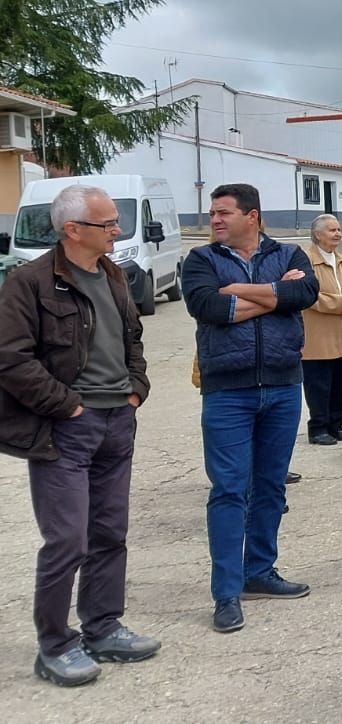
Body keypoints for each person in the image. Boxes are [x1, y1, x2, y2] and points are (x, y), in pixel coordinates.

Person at [0, 185, 160, 686]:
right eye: (107, 223)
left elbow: (132, 335)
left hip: (118, 422)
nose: (117, 230)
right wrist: (67, 405)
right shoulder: (29, 282)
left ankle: (102, 627)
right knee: (67, 540)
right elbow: (10, 357)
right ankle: (55, 644)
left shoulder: (113, 274)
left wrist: (136, 388)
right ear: (73, 230)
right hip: (66, 429)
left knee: (109, 532)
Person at [182, 183, 321, 633]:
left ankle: (259, 571)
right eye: (212, 213)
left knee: (271, 488)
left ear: (253, 216)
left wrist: (240, 289)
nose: (214, 220)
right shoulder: (202, 260)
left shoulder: (291, 253)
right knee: (228, 490)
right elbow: (207, 307)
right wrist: (274, 296)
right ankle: (226, 592)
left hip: (282, 387)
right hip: (227, 392)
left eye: (224, 212)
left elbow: (305, 297)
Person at [301, 214, 342, 446]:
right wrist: (339, 304)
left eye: (339, 229)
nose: (338, 234)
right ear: (317, 234)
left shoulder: (340, 258)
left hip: (341, 335)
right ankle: (318, 428)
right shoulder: (306, 260)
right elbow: (307, 295)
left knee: (340, 383)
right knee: (318, 385)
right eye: (332, 230)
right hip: (317, 336)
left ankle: (336, 425)